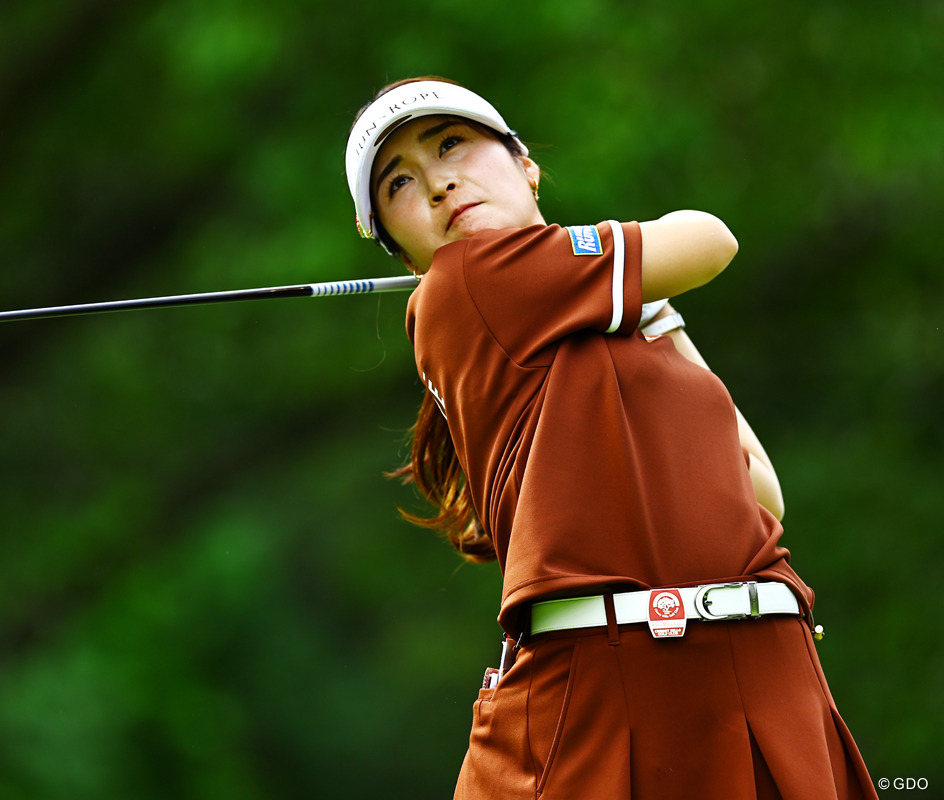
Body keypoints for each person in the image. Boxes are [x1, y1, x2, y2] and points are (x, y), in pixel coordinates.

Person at [345, 77, 878, 800]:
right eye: (399, 183)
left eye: (451, 145)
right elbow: (710, 238)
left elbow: (761, 490)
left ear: (524, 164)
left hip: (762, 678)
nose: (439, 183)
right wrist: (612, 268)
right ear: (401, 249)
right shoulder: (466, 281)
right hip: (615, 683)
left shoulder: (595, 324)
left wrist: (634, 306)